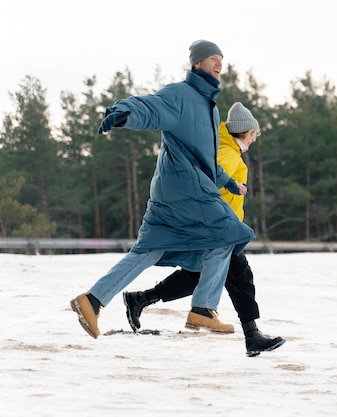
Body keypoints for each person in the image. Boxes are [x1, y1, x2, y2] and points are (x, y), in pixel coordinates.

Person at [70, 40, 254, 339]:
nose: (218, 64)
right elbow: (150, 107)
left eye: (220, 59)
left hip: (170, 194)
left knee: (147, 251)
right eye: (211, 59)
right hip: (189, 191)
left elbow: (206, 159)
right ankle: (204, 309)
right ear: (197, 64)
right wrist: (122, 113)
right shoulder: (181, 94)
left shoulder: (211, 108)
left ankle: (91, 301)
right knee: (229, 234)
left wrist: (230, 183)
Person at [124, 102, 285, 357]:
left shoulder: (227, 150)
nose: (255, 139)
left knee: (197, 276)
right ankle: (252, 336)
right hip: (219, 231)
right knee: (240, 278)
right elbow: (208, 179)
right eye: (254, 134)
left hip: (217, 229)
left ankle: (141, 299)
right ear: (244, 133)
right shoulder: (227, 155)